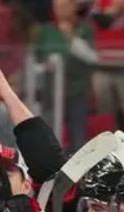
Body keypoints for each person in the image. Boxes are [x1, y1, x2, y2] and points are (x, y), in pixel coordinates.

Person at [34, 0, 95, 149]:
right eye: (56, 6)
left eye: (63, 6)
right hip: (51, 91)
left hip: (77, 90)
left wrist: (71, 37)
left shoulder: (85, 30)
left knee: (78, 137)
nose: (59, 10)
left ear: (74, 7)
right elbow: (35, 60)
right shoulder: (45, 31)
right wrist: (46, 66)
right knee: (49, 135)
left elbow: (92, 58)